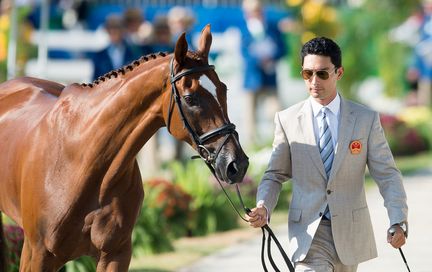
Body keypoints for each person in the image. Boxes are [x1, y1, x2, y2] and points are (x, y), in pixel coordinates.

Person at [246, 37, 408, 272]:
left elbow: (387, 175)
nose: (314, 82)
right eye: (307, 74)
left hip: (350, 234)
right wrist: (263, 206)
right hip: (307, 234)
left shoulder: (365, 119)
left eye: (322, 74)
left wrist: (398, 219)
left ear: (338, 73)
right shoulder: (287, 119)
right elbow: (275, 174)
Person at [239, 0, 287, 145]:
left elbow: (282, 49)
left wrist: (271, 58)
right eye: (252, 11)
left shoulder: (272, 28)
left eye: (258, 10)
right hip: (252, 78)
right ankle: (252, 146)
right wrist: (259, 60)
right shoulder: (244, 29)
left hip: (269, 78)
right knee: (250, 117)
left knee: (276, 111)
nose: (255, 13)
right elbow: (244, 53)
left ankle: (279, 143)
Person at [91, 14, 136, 80]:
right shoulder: (99, 56)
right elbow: (95, 81)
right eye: (110, 28)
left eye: (117, 28)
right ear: (107, 31)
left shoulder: (134, 53)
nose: (113, 31)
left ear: (123, 30)